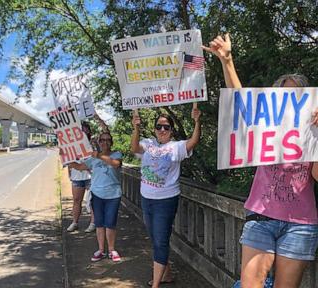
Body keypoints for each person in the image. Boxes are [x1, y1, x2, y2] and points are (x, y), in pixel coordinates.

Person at [203, 33, 318, 288]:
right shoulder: (263, 127)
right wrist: (227, 60)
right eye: (284, 95)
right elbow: (242, 103)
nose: (291, 100)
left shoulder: (313, 132)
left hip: (300, 225)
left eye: (297, 95)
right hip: (261, 217)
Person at [131, 108, 201, 288]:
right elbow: (134, 148)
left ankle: (155, 284)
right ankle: (167, 274)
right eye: (159, 126)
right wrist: (136, 128)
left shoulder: (176, 147)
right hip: (146, 198)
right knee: (155, 238)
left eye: (166, 127)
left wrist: (197, 122)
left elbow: (193, 142)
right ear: (154, 128)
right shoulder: (148, 143)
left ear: (171, 130)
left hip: (166, 200)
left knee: (161, 240)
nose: (162, 130)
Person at [69, 131, 123, 262]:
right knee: (99, 223)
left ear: (111, 142)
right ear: (98, 142)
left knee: (110, 223)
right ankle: (100, 250)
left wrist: (98, 155)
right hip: (97, 194)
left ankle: (111, 250)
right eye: (102, 140)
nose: (105, 142)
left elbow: (115, 164)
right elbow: (80, 166)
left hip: (113, 194)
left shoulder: (117, 154)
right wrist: (67, 159)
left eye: (107, 140)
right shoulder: (92, 159)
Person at [65, 121, 95, 233]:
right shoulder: (72, 146)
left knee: (93, 200)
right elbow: (68, 162)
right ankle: (75, 222)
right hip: (77, 177)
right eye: (81, 129)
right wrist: (71, 171)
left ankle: (93, 223)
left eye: (85, 129)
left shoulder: (92, 145)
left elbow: (94, 161)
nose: (83, 131)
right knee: (77, 200)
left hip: (91, 176)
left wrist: (83, 166)